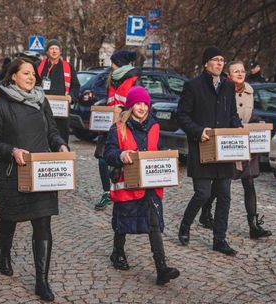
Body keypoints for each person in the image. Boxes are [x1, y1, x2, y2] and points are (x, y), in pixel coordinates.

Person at [0, 58, 68, 302]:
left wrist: (61, 144)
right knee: (9, 220)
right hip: (12, 174)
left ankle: (42, 281)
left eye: (33, 74)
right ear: (13, 76)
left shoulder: (42, 101)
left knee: (43, 223)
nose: (31, 77)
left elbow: (52, 131)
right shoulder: (0, 105)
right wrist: (12, 151)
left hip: (41, 173)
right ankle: (4, 255)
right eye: (26, 73)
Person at [103, 86, 180, 285]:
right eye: (137, 103)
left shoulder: (155, 126)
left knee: (154, 224)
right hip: (127, 186)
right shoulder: (117, 128)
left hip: (150, 186)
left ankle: (161, 268)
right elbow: (108, 153)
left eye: (145, 104)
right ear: (130, 106)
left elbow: (158, 149)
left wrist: (166, 156)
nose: (142, 107)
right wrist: (120, 155)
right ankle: (117, 252)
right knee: (122, 222)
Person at [176, 47, 243, 256]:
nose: (220, 63)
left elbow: (232, 114)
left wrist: (238, 128)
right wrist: (198, 131)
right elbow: (182, 116)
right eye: (216, 59)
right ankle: (185, 226)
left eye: (222, 59)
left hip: (223, 151)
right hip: (202, 147)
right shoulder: (193, 86)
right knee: (203, 194)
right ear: (206, 63)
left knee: (224, 196)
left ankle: (219, 240)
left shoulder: (228, 86)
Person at [198, 61, 272, 239]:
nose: (240, 74)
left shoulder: (249, 91)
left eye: (242, 71)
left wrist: (256, 122)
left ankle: (253, 225)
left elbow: (247, 113)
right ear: (228, 75)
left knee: (249, 182)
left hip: (247, 141)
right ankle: (206, 211)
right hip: (229, 142)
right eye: (236, 71)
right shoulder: (222, 90)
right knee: (223, 184)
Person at [94, 50, 140, 211]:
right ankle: (107, 192)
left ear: (118, 64)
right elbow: (108, 98)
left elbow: (138, 103)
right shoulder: (111, 79)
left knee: (123, 160)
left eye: (112, 62)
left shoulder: (134, 80)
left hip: (126, 126)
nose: (110, 65)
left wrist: (123, 111)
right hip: (108, 125)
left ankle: (125, 191)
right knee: (102, 159)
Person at [36, 39, 80, 144]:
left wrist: (71, 97)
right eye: (51, 48)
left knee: (61, 138)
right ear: (47, 52)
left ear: (60, 52)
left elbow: (76, 86)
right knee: (41, 136)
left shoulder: (68, 67)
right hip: (41, 108)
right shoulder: (38, 65)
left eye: (56, 48)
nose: (54, 51)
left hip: (61, 110)